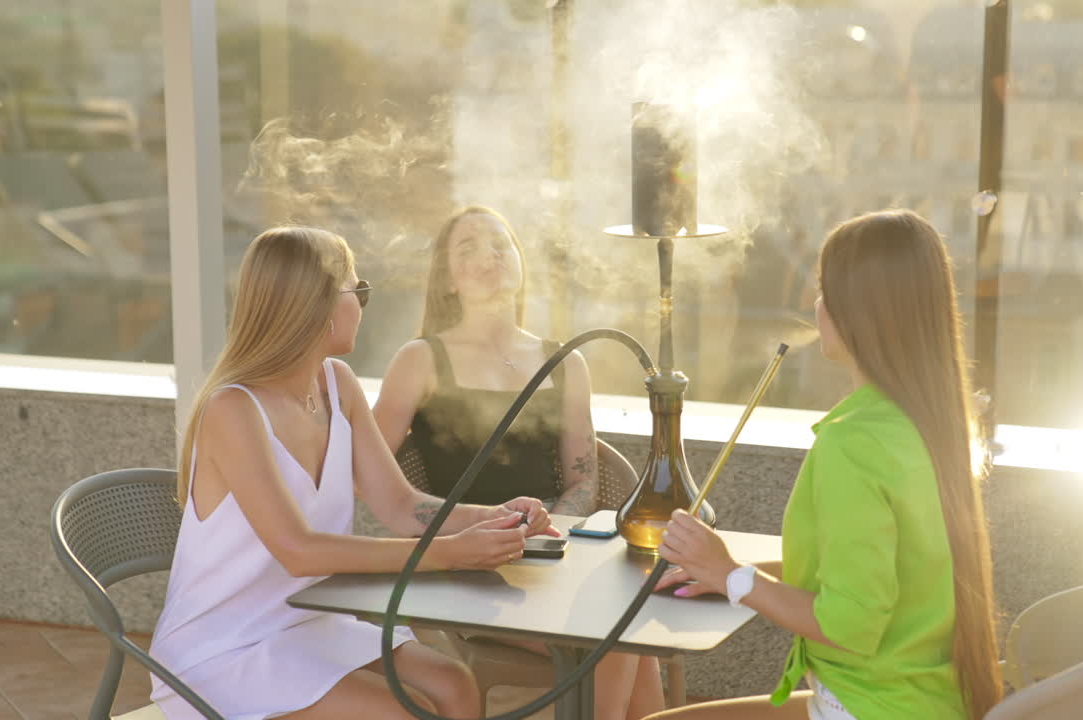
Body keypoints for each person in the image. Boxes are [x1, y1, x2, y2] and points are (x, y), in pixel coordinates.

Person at [149, 226, 559, 720]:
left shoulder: (335, 385)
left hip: (308, 620)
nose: (364, 305)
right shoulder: (233, 410)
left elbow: (401, 506)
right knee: (399, 714)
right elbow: (299, 552)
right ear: (317, 306)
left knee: (455, 684)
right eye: (357, 291)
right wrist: (450, 554)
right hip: (225, 648)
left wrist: (492, 518)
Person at [649, 209, 1002, 720]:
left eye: (825, 291)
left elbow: (850, 626)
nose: (817, 307)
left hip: (867, 706)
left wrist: (731, 576)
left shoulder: (851, 445)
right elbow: (863, 572)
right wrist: (726, 572)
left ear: (861, 312)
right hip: (933, 702)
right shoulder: (933, 421)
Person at [373, 206, 666, 720]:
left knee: (623, 630)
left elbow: (583, 476)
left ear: (520, 262)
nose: (488, 256)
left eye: (500, 244)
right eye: (467, 248)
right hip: (465, 568)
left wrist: (554, 530)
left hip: (553, 555)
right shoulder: (419, 359)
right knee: (620, 637)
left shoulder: (565, 362)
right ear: (447, 279)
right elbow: (369, 468)